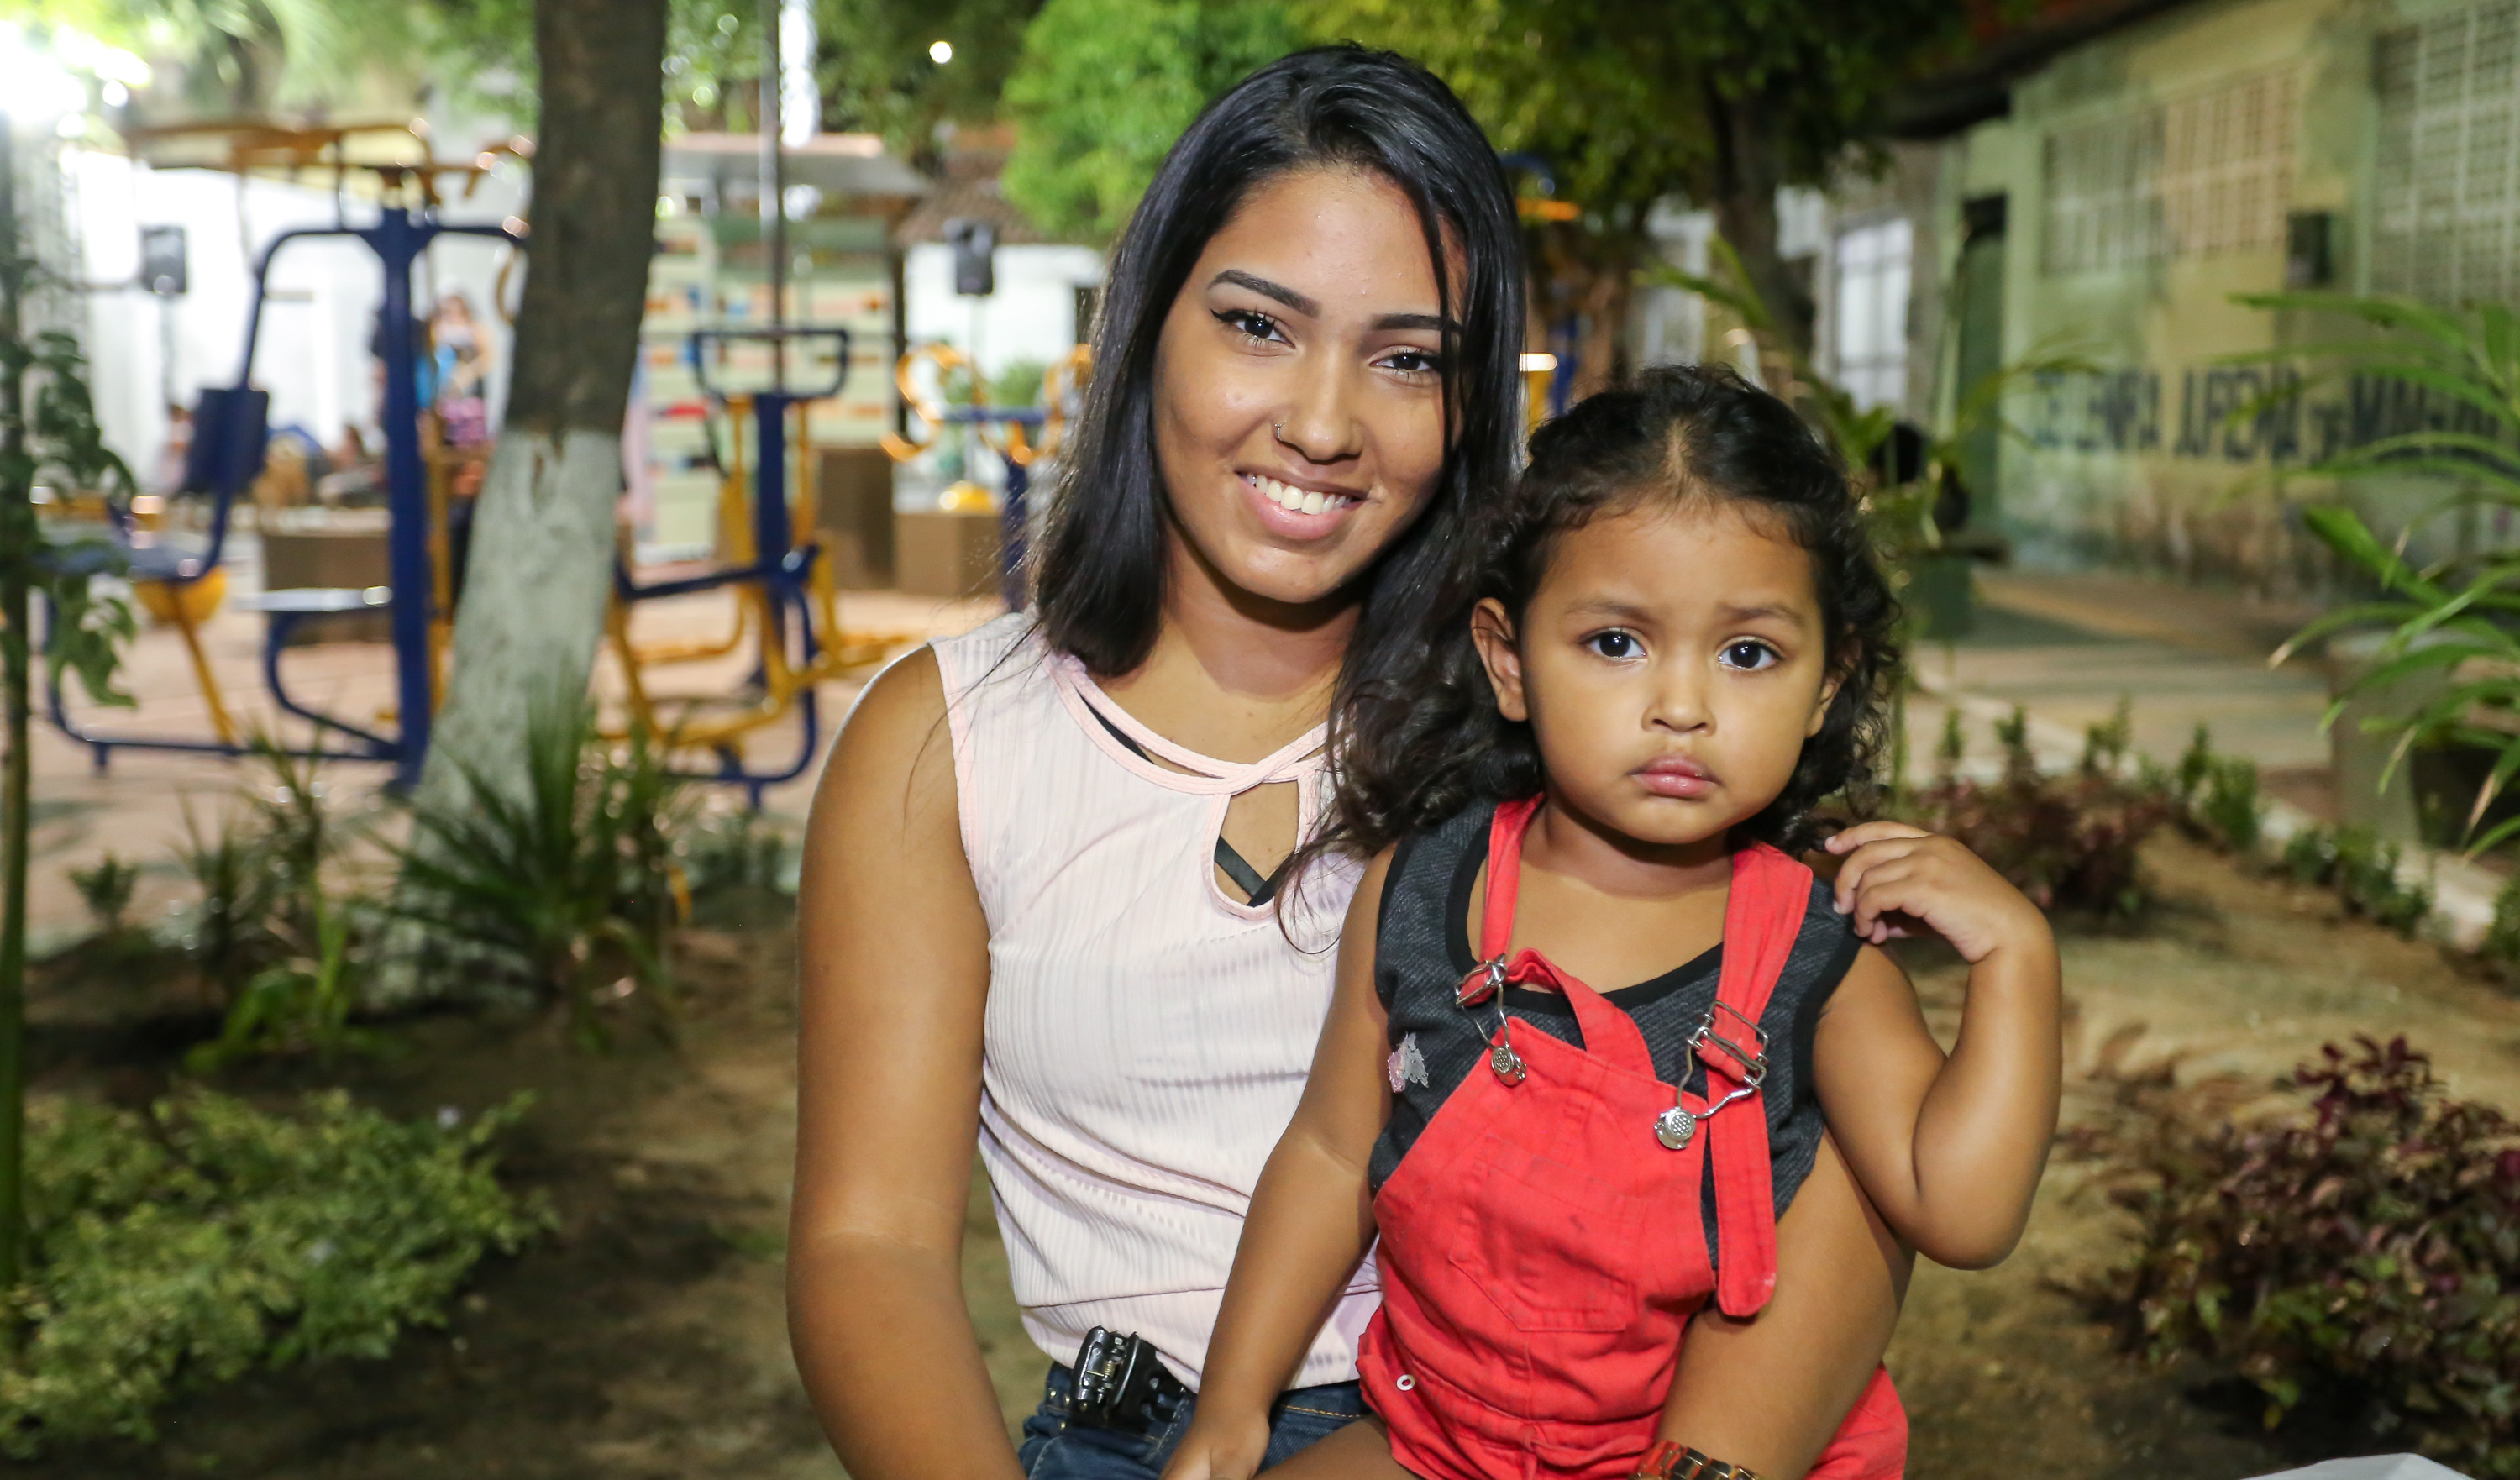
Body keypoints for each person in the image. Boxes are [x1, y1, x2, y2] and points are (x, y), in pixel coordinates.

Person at [789, 50, 1912, 1480]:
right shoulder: (955, 738)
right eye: (1259, 324)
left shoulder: (1576, 717)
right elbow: (866, 1244)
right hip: (1138, 1439)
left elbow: (1851, 1152)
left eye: (1406, 358)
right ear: (1144, 327)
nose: (1322, 423)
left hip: (1565, 1442)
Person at [1163, 366, 2064, 1480]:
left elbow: (1960, 1210)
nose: (1681, 705)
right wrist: (1232, 1403)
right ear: (1510, 660)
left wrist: (2018, 957)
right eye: (1615, 642)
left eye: (1748, 654)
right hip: (1443, 1443)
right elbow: (1331, 1150)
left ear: (1826, 687)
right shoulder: (1424, 892)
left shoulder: (1813, 958)